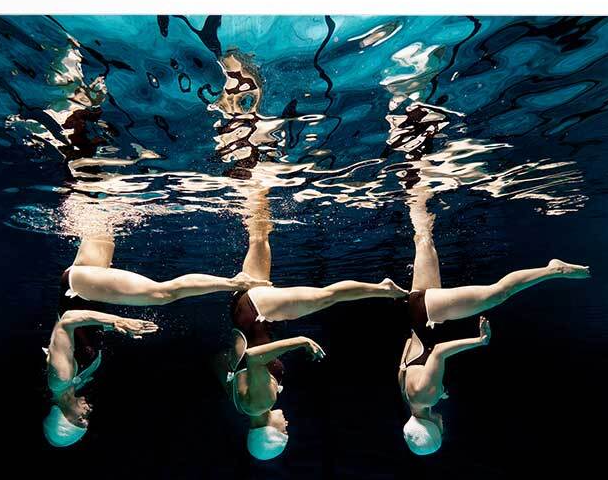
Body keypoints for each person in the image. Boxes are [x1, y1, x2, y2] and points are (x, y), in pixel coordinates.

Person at [221, 184, 408, 461]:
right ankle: (255, 184)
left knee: (327, 297)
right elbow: (224, 361)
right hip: (244, 313)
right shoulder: (242, 406)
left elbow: (253, 357)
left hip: (257, 310)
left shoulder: (260, 403)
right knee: (259, 236)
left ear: (271, 434)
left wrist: (300, 342)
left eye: (284, 431)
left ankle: (383, 289)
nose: (287, 424)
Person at [398, 187, 590, 456]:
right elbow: (410, 349)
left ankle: (553, 269)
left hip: (431, 313)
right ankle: (416, 186)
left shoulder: (426, 396)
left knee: (498, 294)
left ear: (432, 431)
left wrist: (479, 341)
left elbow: (438, 351)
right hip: (417, 312)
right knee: (424, 238)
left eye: (441, 432)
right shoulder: (410, 398)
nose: (444, 427)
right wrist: (435, 386)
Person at [43, 232, 271, 447]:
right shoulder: (75, 382)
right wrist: (117, 327)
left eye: (81, 420)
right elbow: (81, 333)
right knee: (100, 226)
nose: (87, 414)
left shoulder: (59, 380)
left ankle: (234, 283)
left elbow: (67, 321)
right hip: (85, 290)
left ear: (65, 418)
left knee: (163, 294)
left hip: (79, 288)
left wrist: (116, 321)